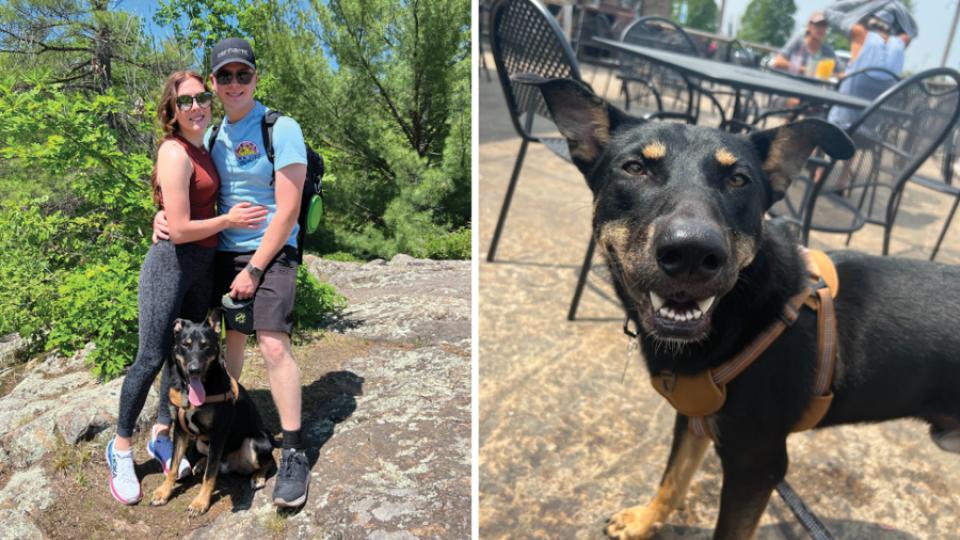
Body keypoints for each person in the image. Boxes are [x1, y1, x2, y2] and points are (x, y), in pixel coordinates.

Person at [154, 37, 312, 508]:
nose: (234, 83)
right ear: (215, 85)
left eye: (244, 74)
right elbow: (192, 191)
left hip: (270, 252)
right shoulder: (216, 134)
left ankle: (295, 452)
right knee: (225, 348)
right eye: (225, 76)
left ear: (256, 78)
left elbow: (287, 210)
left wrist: (256, 268)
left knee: (272, 344)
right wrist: (161, 215)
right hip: (222, 256)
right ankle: (214, 431)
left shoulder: (281, 129)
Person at [106, 71, 266, 504]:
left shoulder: (206, 144)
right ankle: (120, 447)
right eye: (185, 102)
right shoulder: (174, 151)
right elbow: (177, 228)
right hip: (170, 265)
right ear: (171, 111)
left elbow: (177, 206)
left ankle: (164, 431)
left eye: (201, 98)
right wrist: (228, 222)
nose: (196, 106)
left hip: (202, 266)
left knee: (183, 357)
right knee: (152, 355)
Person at [825, 0, 916, 128]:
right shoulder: (901, 43)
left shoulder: (860, 34)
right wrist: (895, 3)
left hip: (838, 128)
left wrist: (869, 2)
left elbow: (829, 11)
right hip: (870, 136)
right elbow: (913, 29)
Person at [772, 11, 837, 78]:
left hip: (813, 87)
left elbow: (841, 72)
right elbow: (778, 62)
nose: (821, 29)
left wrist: (830, 74)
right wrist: (806, 70)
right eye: (818, 25)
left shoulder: (828, 50)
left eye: (824, 26)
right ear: (809, 26)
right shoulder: (797, 42)